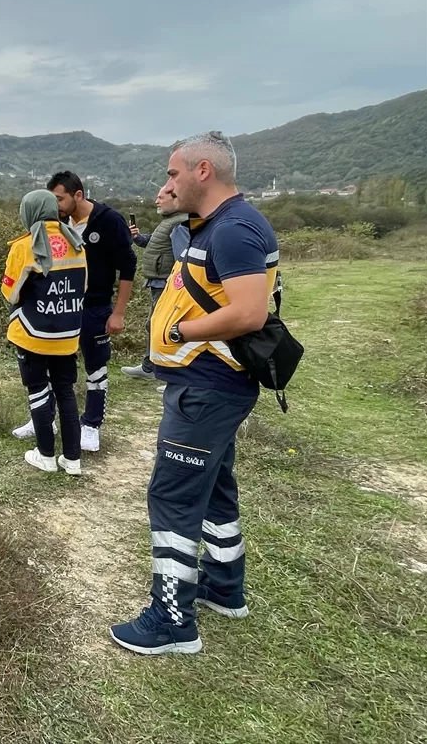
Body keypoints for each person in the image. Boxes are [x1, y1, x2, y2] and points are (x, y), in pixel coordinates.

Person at [110, 131, 280, 656]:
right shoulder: (217, 226)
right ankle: (225, 588)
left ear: (202, 170)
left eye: (172, 173)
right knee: (215, 486)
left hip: (208, 388)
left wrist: (182, 332)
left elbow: (249, 313)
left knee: (173, 495)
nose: (168, 182)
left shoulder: (233, 229)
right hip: (207, 386)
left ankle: (171, 619)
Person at [46, 171, 137, 452]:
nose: (56, 205)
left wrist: (118, 313)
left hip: (95, 307)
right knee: (52, 365)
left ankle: (91, 425)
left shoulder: (109, 221)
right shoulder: (58, 221)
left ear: (78, 195)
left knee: (95, 368)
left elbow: (128, 267)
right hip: (62, 306)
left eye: (59, 198)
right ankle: (45, 418)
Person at [2, 191, 88, 474]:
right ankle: (73, 460)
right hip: (67, 334)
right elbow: (82, 288)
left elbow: (10, 293)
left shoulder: (25, 246)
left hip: (33, 333)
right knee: (66, 393)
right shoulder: (76, 243)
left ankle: (46, 456)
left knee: (38, 392)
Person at [121, 189, 189, 381]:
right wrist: (138, 238)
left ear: (175, 200)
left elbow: (183, 259)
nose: (156, 200)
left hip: (167, 284)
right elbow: (155, 243)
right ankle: (150, 367)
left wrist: (176, 286)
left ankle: (164, 370)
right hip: (159, 281)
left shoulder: (179, 224)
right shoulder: (170, 222)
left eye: (161, 197)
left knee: (164, 325)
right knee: (154, 324)